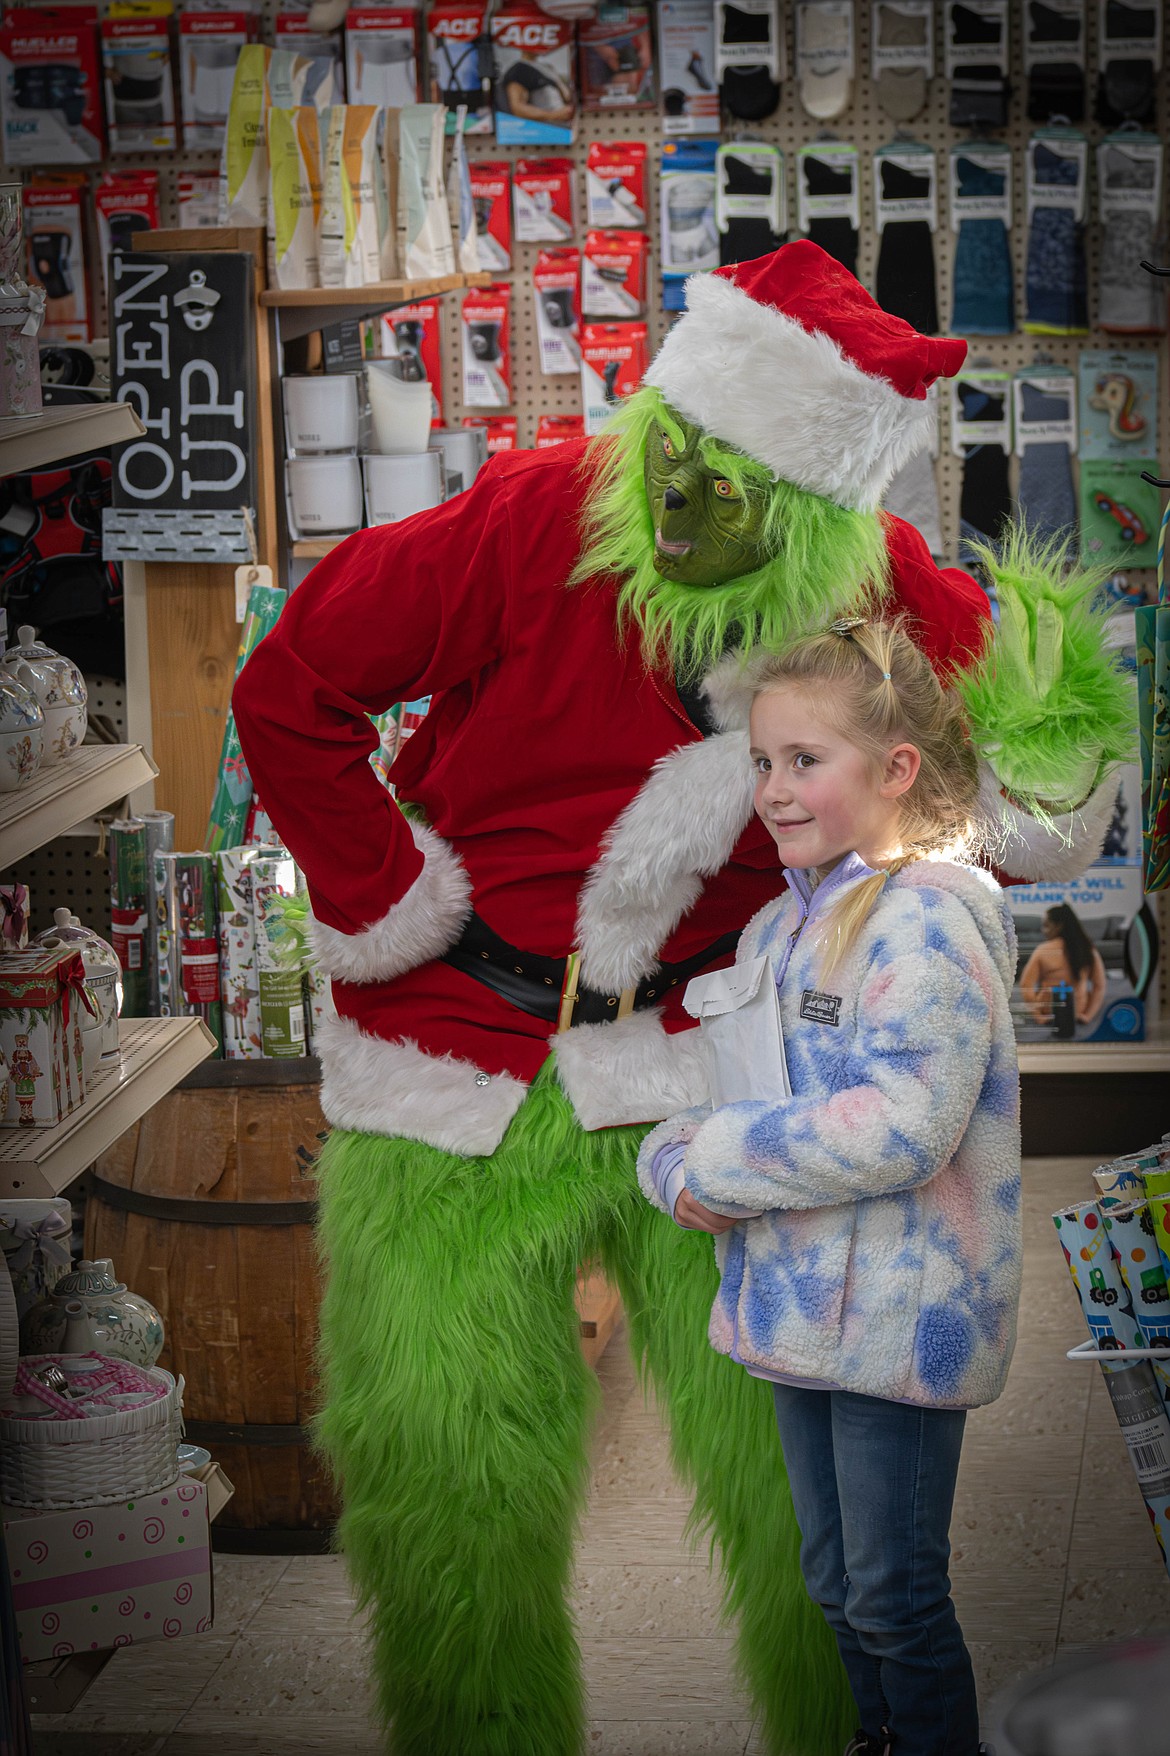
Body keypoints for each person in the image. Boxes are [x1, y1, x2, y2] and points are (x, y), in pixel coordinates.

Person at [232, 244, 1127, 1756]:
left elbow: (1033, 803)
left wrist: (1050, 721)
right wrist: (383, 902)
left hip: (715, 1074)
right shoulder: (528, 519)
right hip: (452, 1053)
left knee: (803, 1522)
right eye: (677, 464)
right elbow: (290, 686)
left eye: (742, 489)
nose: (690, 510)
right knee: (447, 1490)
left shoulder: (874, 587)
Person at [639, 620, 1022, 1756]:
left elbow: (906, 1124)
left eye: (806, 761)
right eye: (763, 761)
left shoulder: (926, 922)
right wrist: (673, 1159)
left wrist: (716, 1158)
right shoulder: (783, 922)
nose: (774, 789)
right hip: (805, 1309)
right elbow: (729, 1082)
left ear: (895, 769)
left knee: (896, 1594)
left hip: (903, 1321)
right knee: (836, 1582)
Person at [1019, 902, 1108, 1028]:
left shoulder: (1043, 950)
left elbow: (1025, 985)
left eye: (1046, 926)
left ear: (1058, 926)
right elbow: (1099, 986)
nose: (1043, 931)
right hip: (1078, 1012)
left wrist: (1038, 1016)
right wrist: (1087, 1016)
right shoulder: (1088, 950)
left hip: (1049, 1012)